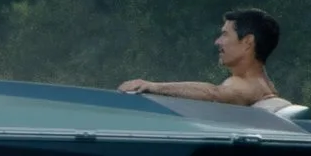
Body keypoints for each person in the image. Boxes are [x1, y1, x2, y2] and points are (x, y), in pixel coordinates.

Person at [120, 8, 281, 105]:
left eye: (225, 35)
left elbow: (213, 94)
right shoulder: (265, 84)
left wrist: (152, 87)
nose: (218, 42)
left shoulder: (247, 86)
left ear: (247, 42)